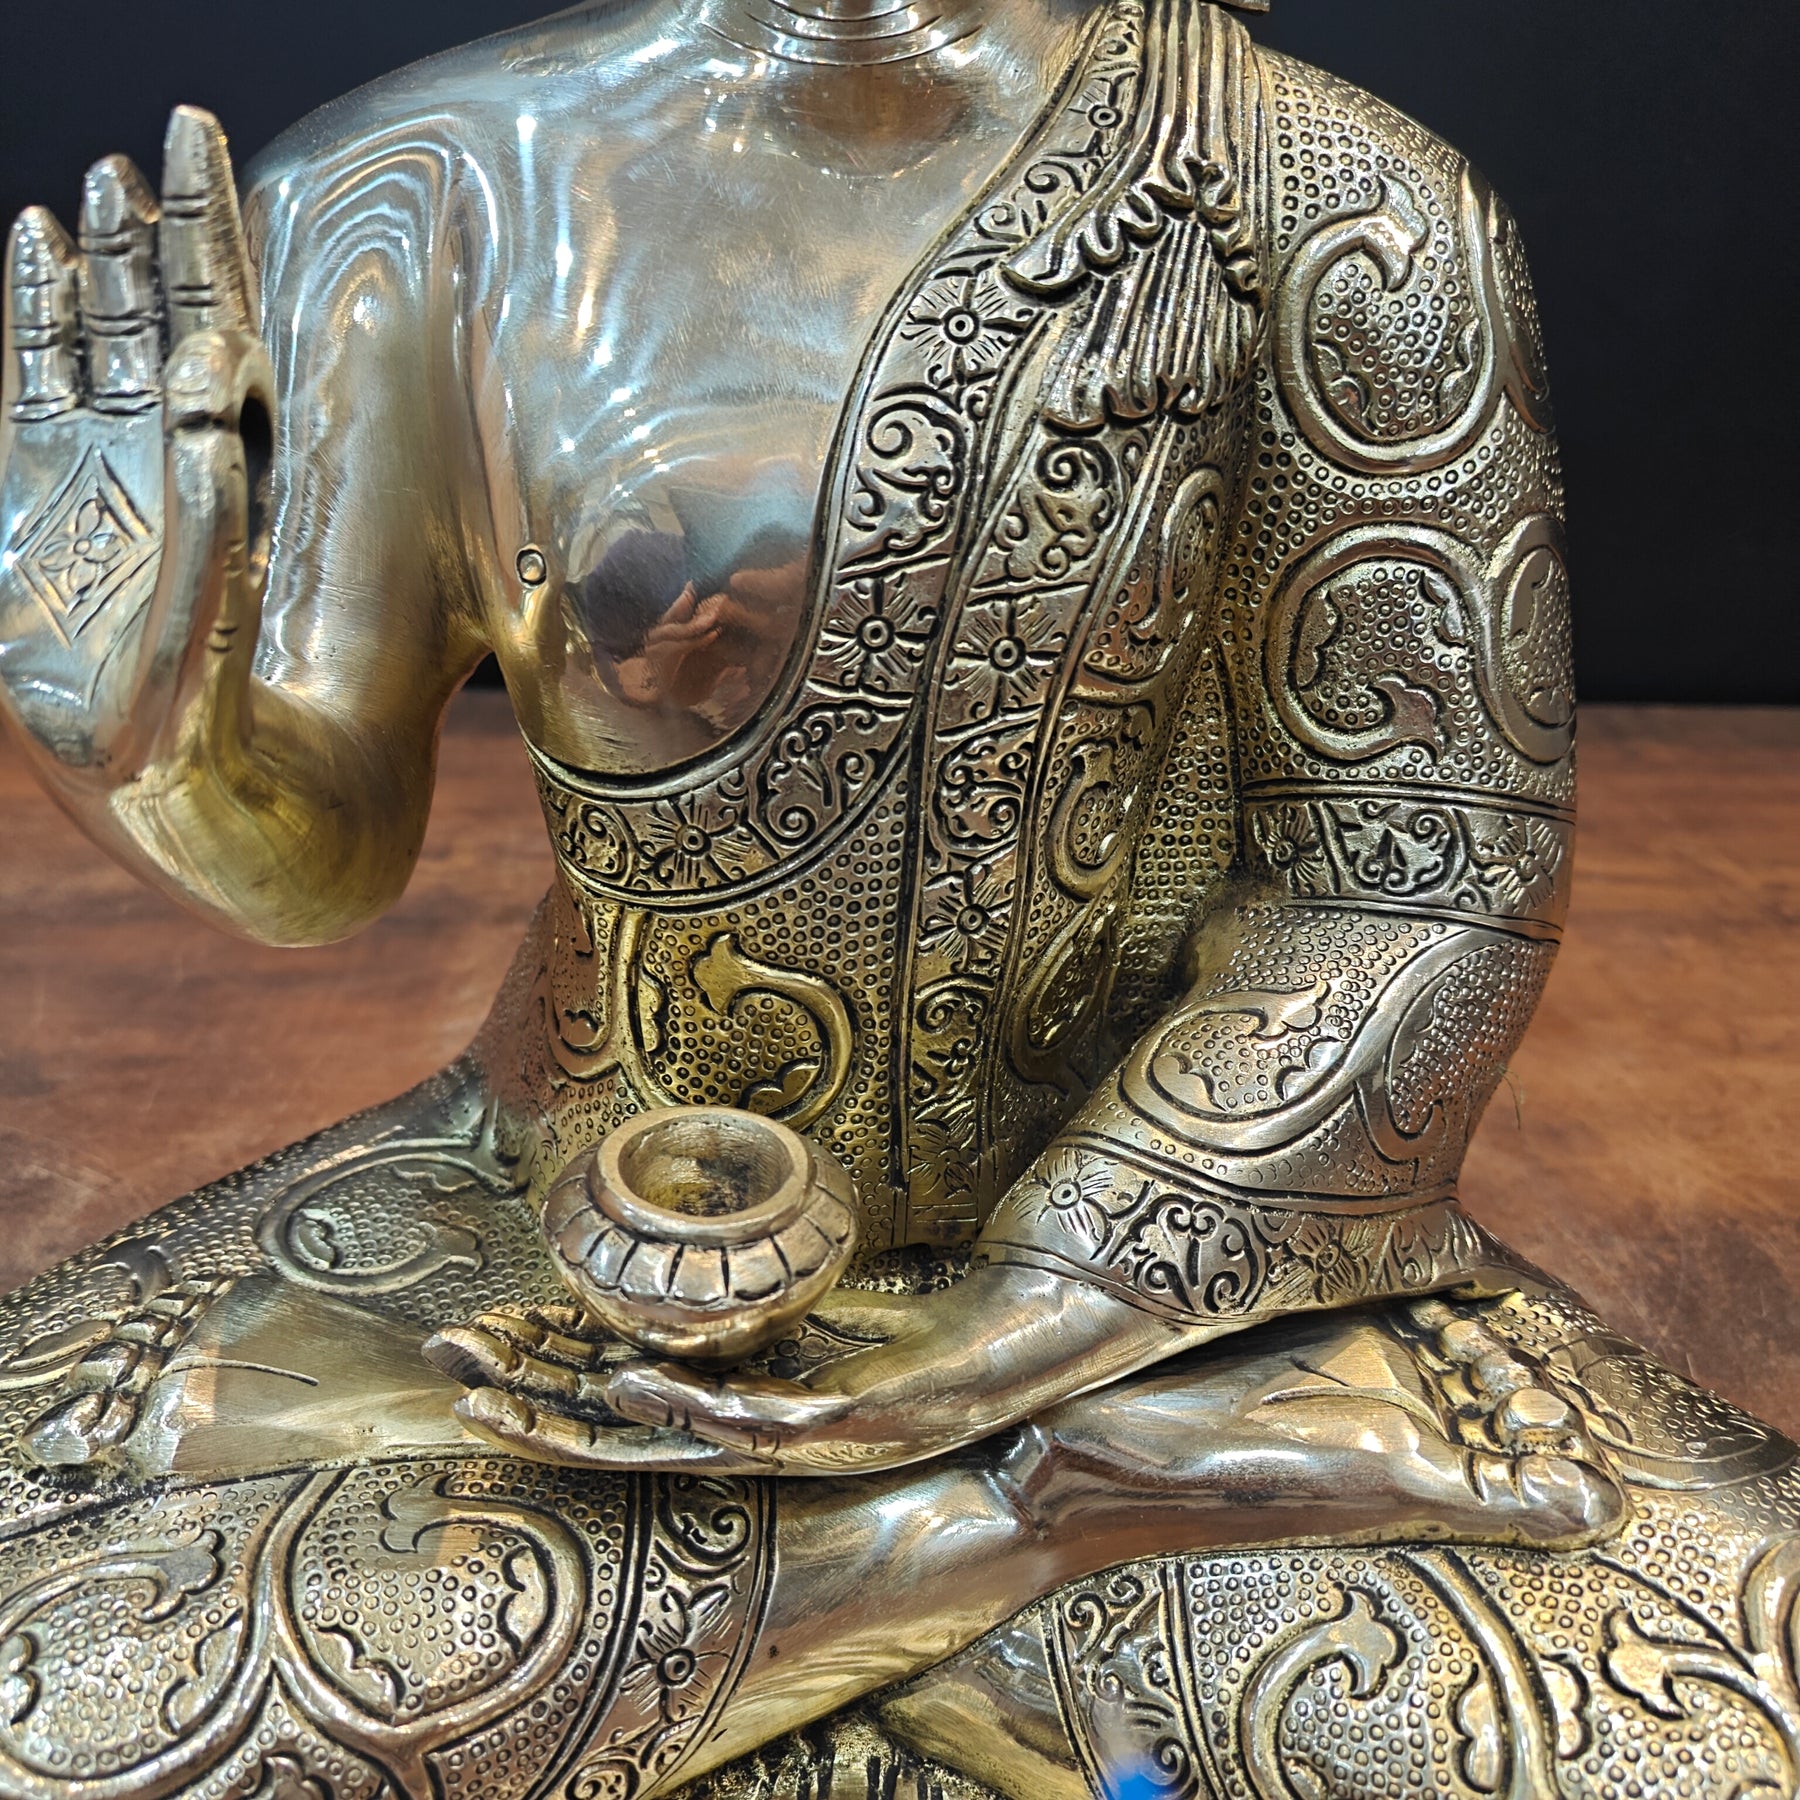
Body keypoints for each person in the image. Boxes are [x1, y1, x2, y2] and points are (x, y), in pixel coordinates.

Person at [1, 1, 1794, 1794]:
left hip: (1151, 1289)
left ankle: (838, 1594)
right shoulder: (419, 191)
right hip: (552, 1243)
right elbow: (320, 847)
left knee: (1710, 1728)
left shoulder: (1334, 202)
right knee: (61, 1706)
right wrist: (162, 752)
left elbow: (1414, 882)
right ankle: (1006, 1530)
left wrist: (1011, 1336)